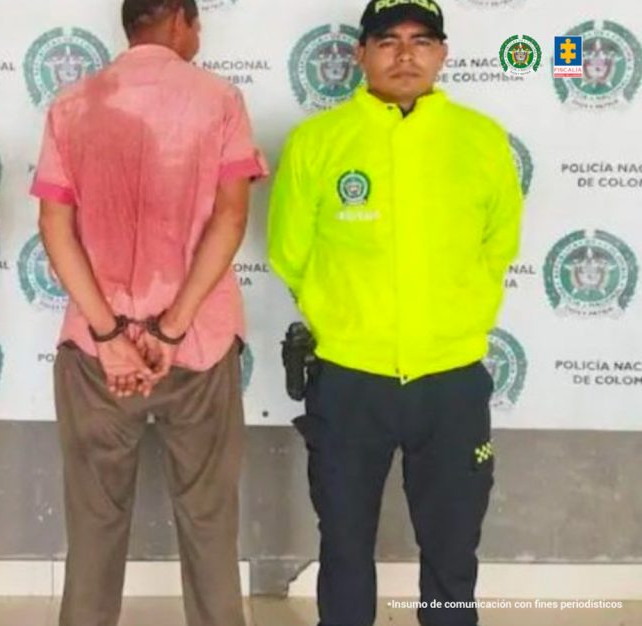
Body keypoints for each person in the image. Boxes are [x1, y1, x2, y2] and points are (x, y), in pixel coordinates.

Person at [267, 1, 522, 625]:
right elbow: (289, 253)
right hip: (350, 378)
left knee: (453, 547)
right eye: (387, 40)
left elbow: (498, 247)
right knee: (346, 546)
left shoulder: (481, 141)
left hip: (451, 379)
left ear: (442, 53)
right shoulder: (318, 142)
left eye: (421, 40)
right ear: (360, 54)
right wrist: (349, 316)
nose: (404, 54)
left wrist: (451, 319)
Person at [30, 1, 266, 624]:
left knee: (94, 525)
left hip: (95, 352)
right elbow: (232, 217)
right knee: (211, 521)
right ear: (181, 21)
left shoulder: (72, 104)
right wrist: (171, 327)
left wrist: (110, 333)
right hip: (200, 343)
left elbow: (55, 227)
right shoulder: (219, 99)